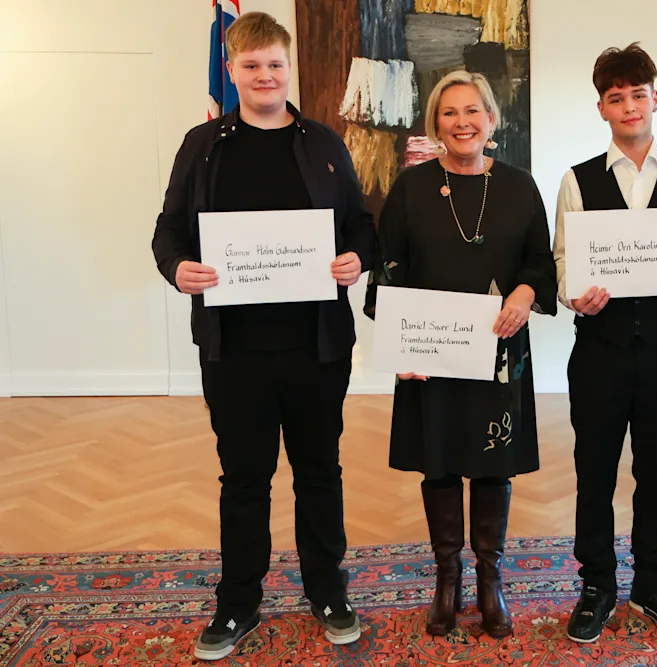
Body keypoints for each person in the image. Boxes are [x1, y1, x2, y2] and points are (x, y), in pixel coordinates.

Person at [150, 12, 376, 660]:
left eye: (275, 64)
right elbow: (168, 229)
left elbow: (361, 224)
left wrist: (356, 259)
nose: (264, 75)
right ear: (232, 71)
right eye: (251, 65)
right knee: (243, 478)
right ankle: (238, 600)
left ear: (288, 69)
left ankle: (327, 590)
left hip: (316, 348)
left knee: (319, 472)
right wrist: (177, 268)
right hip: (234, 350)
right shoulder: (202, 144)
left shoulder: (325, 143)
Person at [364, 70, 557, 639]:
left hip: (499, 352)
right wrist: (398, 343)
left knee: (493, 461)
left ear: (492, 120)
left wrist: (524, 294)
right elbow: (386, 270)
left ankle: (490, 579)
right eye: (449, 113)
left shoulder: (521, 186)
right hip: (431, 356)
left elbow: (539, 265)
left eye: (473, 111)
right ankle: (447, 579)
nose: (462, 122)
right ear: (436, 124)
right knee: (441, 460)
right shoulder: (411, 189)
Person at [551, 43, 657, 643]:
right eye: (615, 97)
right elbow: (564, 261)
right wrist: (575, 295)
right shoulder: (577, 179)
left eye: (637, 94)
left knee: (655, 473)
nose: (628, 106)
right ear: (601, 108)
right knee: (593, 471)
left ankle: (653, 584)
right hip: (599, 351)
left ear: (655, 100)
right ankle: (597, 584)